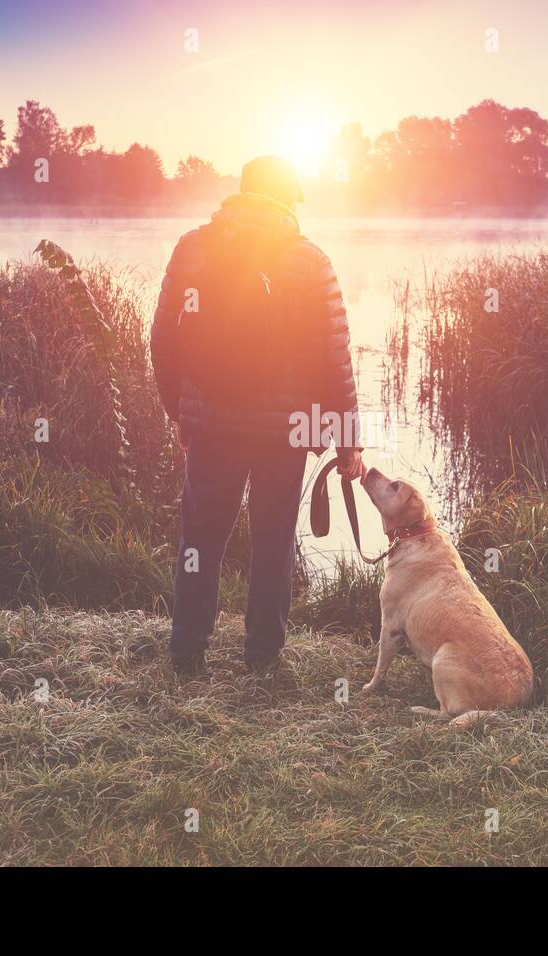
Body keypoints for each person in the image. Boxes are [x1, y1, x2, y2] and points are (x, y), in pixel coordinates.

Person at [150, 155, 364, 676]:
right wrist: (346, 441)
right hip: (282, 432)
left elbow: (162, 337)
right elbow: (332, 355)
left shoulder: (193, 248)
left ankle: (186, 652)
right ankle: (262, 658)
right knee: (272, 540)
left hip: (211, 425)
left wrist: (179, 411)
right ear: (287, 198)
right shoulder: (309, 260)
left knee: (199, 538)